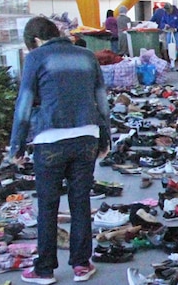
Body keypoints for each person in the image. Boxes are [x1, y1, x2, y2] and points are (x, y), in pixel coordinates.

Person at [10, 17, 109, 284]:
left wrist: (17, 146)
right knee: (80, 201)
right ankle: (81, 265)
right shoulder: (87, 55)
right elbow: (102, 100)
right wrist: (105, 139)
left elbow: (24, 103)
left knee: (48, 204)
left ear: (36, 41)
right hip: (86, 136)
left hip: (50, 139)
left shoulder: (36, 58)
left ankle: (44, 270)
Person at [162, 3, 178, 72]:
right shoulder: (165, 13)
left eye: (169, 10)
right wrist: (165, 25)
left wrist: (176, 29)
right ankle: (172, 64)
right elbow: (163, 21)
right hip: (169, 31)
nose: (168, 12)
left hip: (177, 31)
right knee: (170, 48)